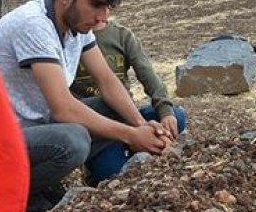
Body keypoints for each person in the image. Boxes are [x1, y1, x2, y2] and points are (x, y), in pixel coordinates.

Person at [0, 0, 173, 212]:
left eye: (107, 7)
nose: (102, 18)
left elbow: (108, 81)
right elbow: (63, 108)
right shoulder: (34, 25)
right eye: (96, 5)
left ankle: (43, 185)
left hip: (38, 126)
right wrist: (132, 136)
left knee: (124, 109)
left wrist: (142, 126)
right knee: (74, 141)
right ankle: (13, 193)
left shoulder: (75, 22)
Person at [69, 18, 187, 182]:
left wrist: (165, 111)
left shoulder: (121, 35)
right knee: (109, 173)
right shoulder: (71, 38)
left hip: (127, 116)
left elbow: (149, 76)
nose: (102, 12)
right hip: (98, 128)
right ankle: (127, 150)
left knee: (177, 117)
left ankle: (140, 146)